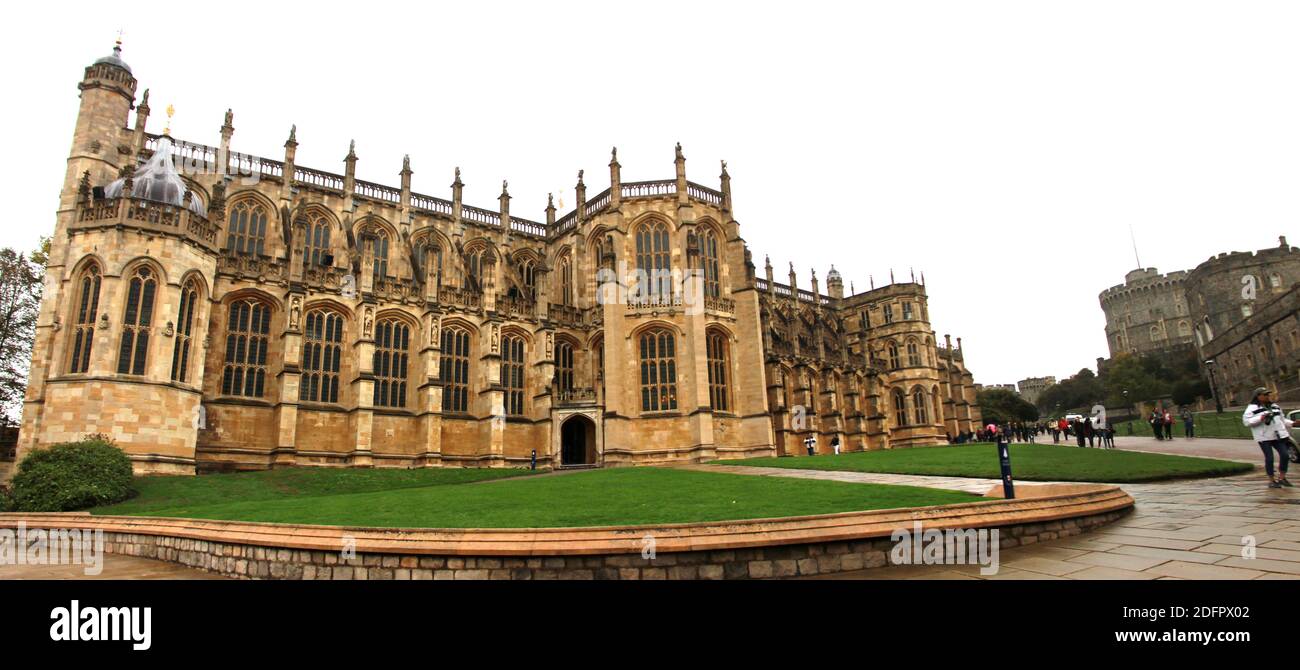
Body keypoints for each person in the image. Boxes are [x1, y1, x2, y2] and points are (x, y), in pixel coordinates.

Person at [1244, 387, 1295, 488]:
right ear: (1258, 396)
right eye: (1265, 395)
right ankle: (1271, 480)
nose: (1268, 396)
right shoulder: (1252, 408)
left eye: (1268, 394)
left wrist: (1293, 423)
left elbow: (1282, 420)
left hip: (1277, 435)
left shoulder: (1275, 406)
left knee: (1285, 455)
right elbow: (1247, 422)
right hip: (1264, 437)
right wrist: (1261, 418)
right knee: (1269, 458)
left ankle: (1282, 478)